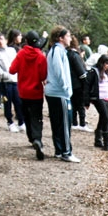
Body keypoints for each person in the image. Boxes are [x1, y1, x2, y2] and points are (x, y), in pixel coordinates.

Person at [9, 30, 48, 160]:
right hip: (36, 91)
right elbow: (43, 76)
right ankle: (38, 138)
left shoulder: (21, 54)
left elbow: (12, 70)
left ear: (26, 41)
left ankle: (32, 139)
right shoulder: (41, 56)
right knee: (37, 116)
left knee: (26, 115)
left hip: (23, 91)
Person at [45, 26, 80, 163]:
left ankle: (59, 150)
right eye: (68, 36)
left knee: (58, 122)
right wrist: (66, 88)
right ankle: (66, 151)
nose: (70, 38)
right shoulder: (57, 51)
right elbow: (59, 71)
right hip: (59, 93)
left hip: (55, 92)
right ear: (60, 38)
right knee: (65, 123)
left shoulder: (58, 51)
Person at [0, 34, 24, 133]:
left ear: (5, 40)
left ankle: (21, 122)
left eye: (2, 39)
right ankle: (10, 122)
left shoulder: (12, 50)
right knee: (7, 102)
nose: (1, 42)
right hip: (5, 82)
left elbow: (17, 62)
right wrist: (5, 76)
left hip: (16, 80)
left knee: (18, 102)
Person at [86, 54, 108, 151]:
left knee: (103, 117)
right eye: (106, 63)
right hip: (97, 97)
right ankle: (106, 142)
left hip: (106, 98)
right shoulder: (94, 71)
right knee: (105, 117)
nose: (107, 66)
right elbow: (87, 85)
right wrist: (86, 101)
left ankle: (98, 138)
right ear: (101, 63)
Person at [67, 35, 92, 132]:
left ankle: (74, 122)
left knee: (73, 103)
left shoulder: (66, 54)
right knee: (80, 104)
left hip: (70, 83)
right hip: (78, 83)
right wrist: (85, 81)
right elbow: (81, 72)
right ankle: (82, 123)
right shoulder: (75, 55)